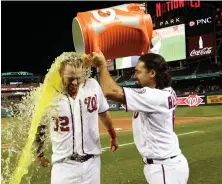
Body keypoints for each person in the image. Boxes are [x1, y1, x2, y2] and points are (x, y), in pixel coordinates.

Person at [89, 52, 189, 184]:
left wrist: (102, 65)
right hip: (168, 165)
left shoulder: (154, 96)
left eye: (138, 72)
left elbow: (109, 91)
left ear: (152, 73)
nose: (135, 76)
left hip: (164, 169)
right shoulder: (167, 91)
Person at [35, 52, 118, 184]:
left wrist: (113, 136)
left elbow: (103, 113)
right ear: (60, 72)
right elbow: (40, 126)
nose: (74, 82)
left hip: (92, 164)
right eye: (70, 78)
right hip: (64, 166)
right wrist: (39, 152)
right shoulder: (49, 94)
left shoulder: (92, 86)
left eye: (78, 78)